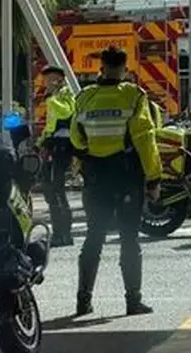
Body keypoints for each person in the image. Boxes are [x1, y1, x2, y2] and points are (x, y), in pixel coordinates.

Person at [70, 46, 162, 316]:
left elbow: (76, 138)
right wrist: (154, 179)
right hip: (126, 178)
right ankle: (133, 301)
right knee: (129, 239)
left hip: (96, 178)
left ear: (102, 67)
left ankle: (83, 300)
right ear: (124, 67)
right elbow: (146, 140)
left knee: (93, 238)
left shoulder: (84, 97)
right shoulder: (134, 96)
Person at [38, 65, 76, 247]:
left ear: (60, 79)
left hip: (62, 148)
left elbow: (67, 112)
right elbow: (51, 125)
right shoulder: (53, 98)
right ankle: (58, 233)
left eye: (50, 79)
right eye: (46, 79)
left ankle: (65, 234)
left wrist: (52, 99)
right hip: (52, 145)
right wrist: (40, 142)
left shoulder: (65, 94)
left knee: (57, 189)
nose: (47, 83)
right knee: (49, 190)